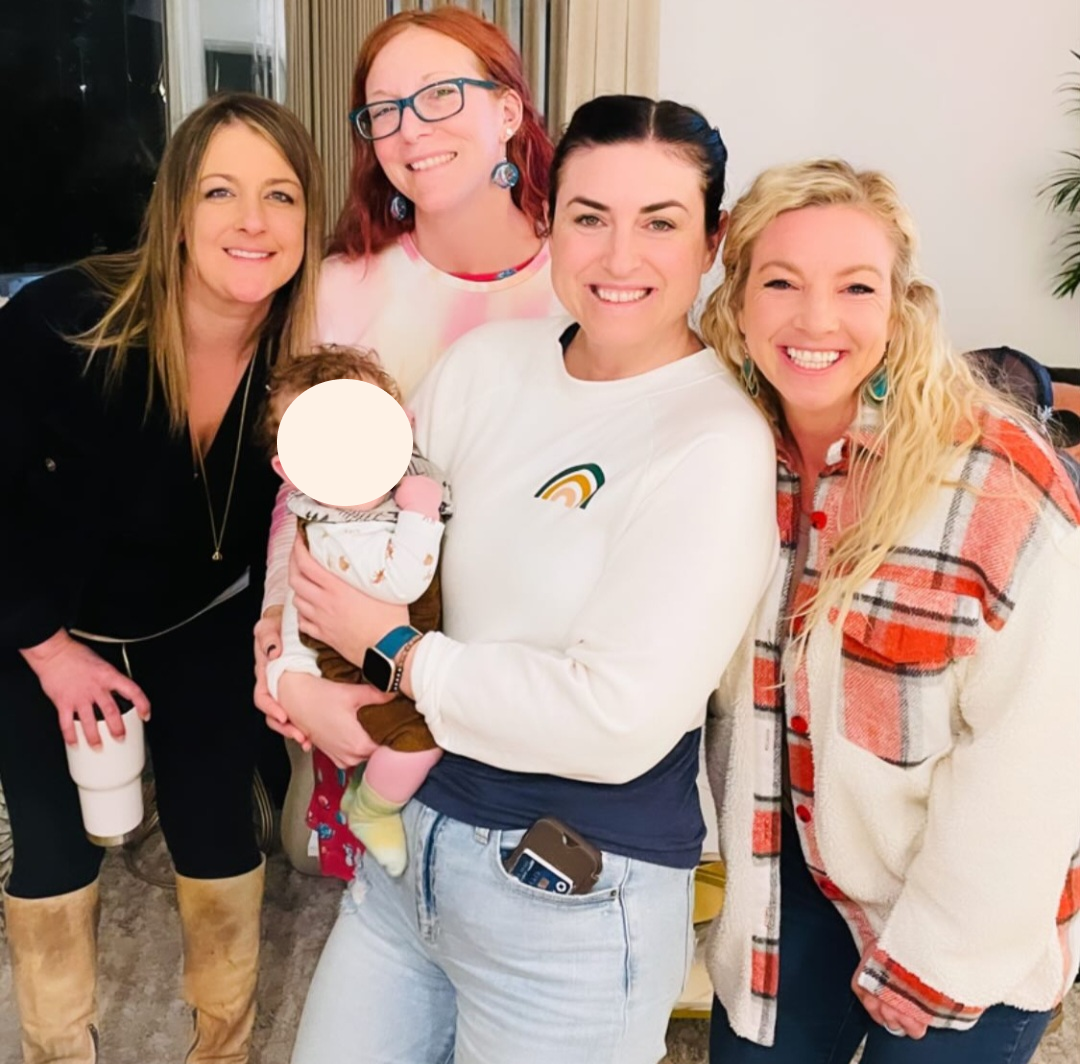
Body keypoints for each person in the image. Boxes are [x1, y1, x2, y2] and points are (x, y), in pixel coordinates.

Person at [264, 94, 778, 1064]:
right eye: (589, 216)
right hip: (406, 845)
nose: (619, 257)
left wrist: (397, 652)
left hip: (569, 895)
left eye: (660, 222)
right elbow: (346, 525)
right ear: (548, 222)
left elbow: (614, 717)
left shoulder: (713, 441)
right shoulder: (483, 366)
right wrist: (293, 663)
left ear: (711, 241)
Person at [699, 159, 1080, 1064]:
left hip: (971, 911)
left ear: (900, 304)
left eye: (856, 286)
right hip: (786, 876)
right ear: (737, 301)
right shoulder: (722, 457)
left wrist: (940, 957)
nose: (816, 319)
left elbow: (1042, 752)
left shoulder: (992, 480)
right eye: (781, 281)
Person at [0, 92, 324, 1064]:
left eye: (280, 194)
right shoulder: (60, 319)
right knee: (56, 845)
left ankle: (219, 1050)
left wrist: (289, 629)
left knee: (217, 829)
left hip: (201, 626)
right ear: (175, 208)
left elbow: (313, 516)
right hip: (44, 627)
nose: (252, 221)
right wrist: (51, 653)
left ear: (311, 220)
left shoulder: (306, 359)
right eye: (220, 190)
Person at [254, 5, 564, 878]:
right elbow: (300, 495)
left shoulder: (590, 281)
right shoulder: (343, 287)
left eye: (438, 96)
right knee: (384, 906)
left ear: (508, 109)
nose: (406, 129)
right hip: (362, 663)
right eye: (382, 109)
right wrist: (281, 651)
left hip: (524, 685)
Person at [263, 345, 450, 878]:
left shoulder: (382, 498)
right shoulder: (338, 528)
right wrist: (421, 512)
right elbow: (402, 578)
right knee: (420, 742)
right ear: (289, 469)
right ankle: (371, 811)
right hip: (351, 675)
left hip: (386, 660)